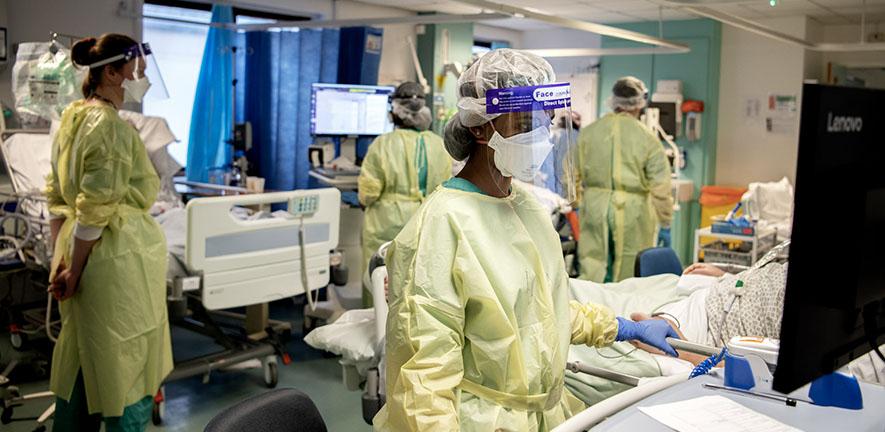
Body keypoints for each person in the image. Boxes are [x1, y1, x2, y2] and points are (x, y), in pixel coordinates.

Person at [373, 49, 678, 432]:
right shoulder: (441, 226)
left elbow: (543, 313)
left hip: (545, 414)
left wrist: (622, 327)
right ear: (480, 127)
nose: (540, 136)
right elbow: (425, 377)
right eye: (524, 123)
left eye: (545, 122)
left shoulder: (526, 207)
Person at [45, 34, 172, 431]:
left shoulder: (73, 116)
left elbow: (56, 194)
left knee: (84, 357)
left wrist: (61, 259)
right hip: (115, 260)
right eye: (137, 70)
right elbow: (96, 209)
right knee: (125, 362)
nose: (143, 78)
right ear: (112, 72)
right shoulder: (111, 127)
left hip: (80, 249)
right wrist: (76, 271)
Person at [358, 82, 451, 305]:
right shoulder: (439, 145)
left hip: (385, 225)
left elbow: (368, 193)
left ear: (395, 111)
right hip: (424, 224)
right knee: (416, 285)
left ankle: (377, 331)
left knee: (380, 284)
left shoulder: (382, 144)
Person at [576, 76, 673, 283]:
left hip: (595, 206)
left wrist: (576, 203)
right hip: (633, 212)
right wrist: (665, 221)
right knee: (630, 271)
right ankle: (623, 313)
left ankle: (591, 312)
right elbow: (660, 185)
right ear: (640, 103)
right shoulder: (647, 137)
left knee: (593, 265)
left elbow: (570, 173)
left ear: (614, 100)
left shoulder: (589, 132)